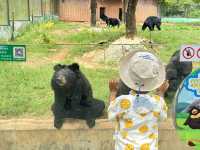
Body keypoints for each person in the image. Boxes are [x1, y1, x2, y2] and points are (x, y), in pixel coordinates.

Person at [108, 51, 169, 150]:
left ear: (129, 77)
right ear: (154, 80)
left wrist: (113, 92)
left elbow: (111, 115)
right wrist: (161, 93)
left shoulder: (123, 102)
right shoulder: (158, 102)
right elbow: (162, 117)